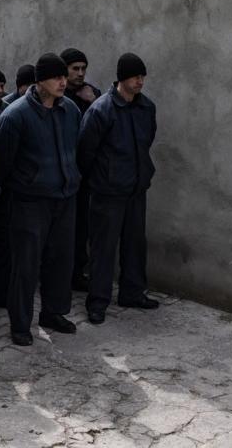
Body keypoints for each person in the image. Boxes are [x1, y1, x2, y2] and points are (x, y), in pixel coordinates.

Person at [0, 52, 81, 346]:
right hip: (29, 202)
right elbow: (2, 165)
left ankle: (53, 312)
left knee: (60, 260)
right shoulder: (15, 116)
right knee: (26, 265)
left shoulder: (70, 110)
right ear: (39, 81)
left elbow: (76, 149)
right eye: (56, 77)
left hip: (64, 198)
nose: (62, 81)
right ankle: (20, 323)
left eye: (63, 77)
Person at [77, 53, 158, 324]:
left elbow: (147, 140)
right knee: (103, 248)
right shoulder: (102, 110)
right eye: (136, 76)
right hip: (107, 192)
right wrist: (102, 180)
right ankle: (97, 301)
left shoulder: (146, 108)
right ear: (122, 78)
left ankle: (132, 292)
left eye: (142, 76)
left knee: (135, 243)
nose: (140, 81)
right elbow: (85, 152)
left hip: (136, 188)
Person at [60, 48, 101, 292]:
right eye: (74, 68)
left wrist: (93, 102)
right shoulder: (59, 95)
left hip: (86, 174)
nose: (80, 73)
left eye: (83, 68)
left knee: (82, 227)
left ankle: (77, 272)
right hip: (64, 171)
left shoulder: (92, 94)